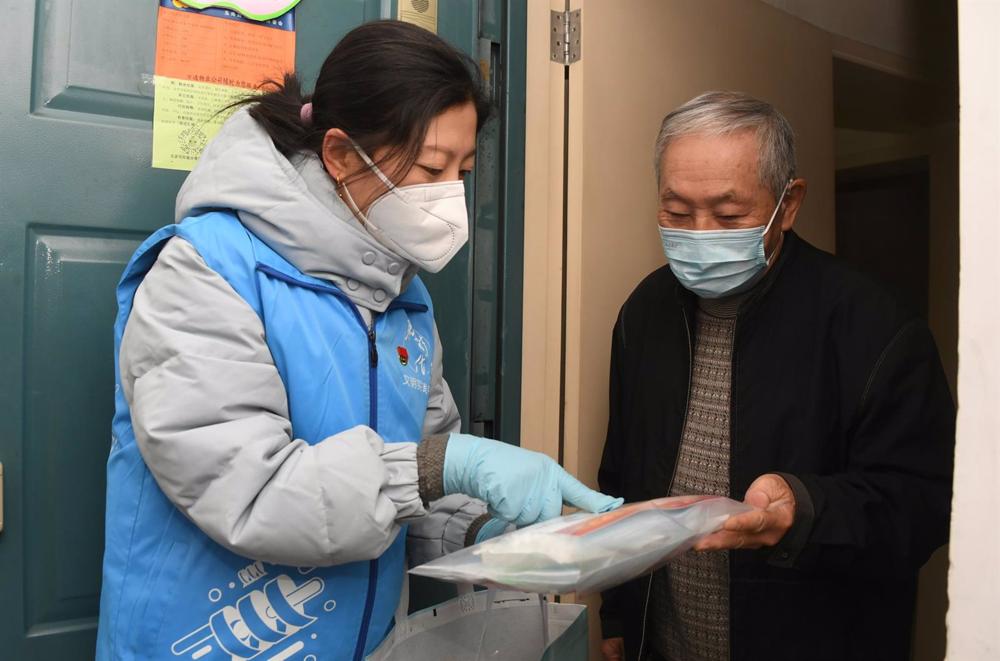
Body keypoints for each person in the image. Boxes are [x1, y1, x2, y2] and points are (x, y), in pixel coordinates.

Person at [97, 20, 620, 661]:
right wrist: (440, 464)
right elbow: (250, 491)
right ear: (342, 155)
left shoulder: (403, 296)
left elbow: (419, 489)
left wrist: (498, 533)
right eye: (432, 167)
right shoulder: (208, 269)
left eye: (463, 169)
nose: (451, 195)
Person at [598, 91, 954, 661]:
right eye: (678, 211)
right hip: (663, 641)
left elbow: (920, 505)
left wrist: (802, 510)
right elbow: (623, 471)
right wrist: (618, 611)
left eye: (730, 214)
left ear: (788, 205)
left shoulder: (876, 325)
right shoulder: (644, 313)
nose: (701, 233)